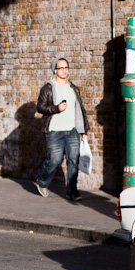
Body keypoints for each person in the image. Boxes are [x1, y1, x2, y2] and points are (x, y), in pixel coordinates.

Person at [35, 57, 90, 201]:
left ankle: (72, 192)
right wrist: (56, 108)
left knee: (74, 160)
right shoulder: (48, 88)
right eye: (61, 68)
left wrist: (83, 131)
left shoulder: (73, 88)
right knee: (54, 159)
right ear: (55, 70)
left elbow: (79, 110)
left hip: (72, 130)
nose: (64, 71)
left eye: (66, 67)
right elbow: (40, 107)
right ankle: (42, 181)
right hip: (54, 131)